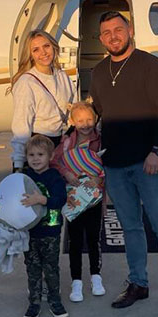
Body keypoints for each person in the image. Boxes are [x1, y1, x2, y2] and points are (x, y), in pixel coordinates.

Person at [89, 11, 158, 317]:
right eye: (106, 32)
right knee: (131, 228)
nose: (113, 36)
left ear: (130, 30)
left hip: (147, 162)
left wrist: (157, 151)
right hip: (114, 164)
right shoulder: (98, 72)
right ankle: (138, 283)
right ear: (101, 39)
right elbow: (98, 112)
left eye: (118, 30)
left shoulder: (150, 66)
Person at [51, 102, 105, 302]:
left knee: (94, 239)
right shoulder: (66, 143)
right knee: (74, 241)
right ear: (72, 121)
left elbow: (107, 167)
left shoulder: (100, 142)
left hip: (94, 199)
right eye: (80, 120)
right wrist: (66, 172)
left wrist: (100, 179)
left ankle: (96, 276)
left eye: (89, 119)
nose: (85, 124)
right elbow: (54, 162)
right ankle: (76, 281)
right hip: (74, 200)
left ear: (96, 119)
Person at [10, 30, 76, 171]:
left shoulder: (62, 76)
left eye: (46, 46)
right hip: (36, 148)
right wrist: (18, 164)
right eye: (36, 50)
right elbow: (21, 126)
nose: (43, 53)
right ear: (31, 55)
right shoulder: (26, 83)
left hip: (58, 145)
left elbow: (73, 107)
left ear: (53, 47)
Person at [20, 134, 69, 317]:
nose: (35, 159)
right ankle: (34, 302)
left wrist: (41, 199)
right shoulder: (24, 177)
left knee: (50, 267)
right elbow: (11, 196)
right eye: (31, 155)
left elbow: (60, 200)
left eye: (40, 154)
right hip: (30, 232)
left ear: (50, 156)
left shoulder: (54, 177)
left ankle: (55, 300)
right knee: (32, 267)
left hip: (50, 230)